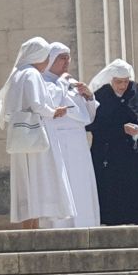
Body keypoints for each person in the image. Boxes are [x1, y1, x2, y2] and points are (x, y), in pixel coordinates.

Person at [0, 37, 75, 229]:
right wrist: (54, 111)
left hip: (20, 136)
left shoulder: (17, 75)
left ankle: (29, 225)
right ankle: (33, 227)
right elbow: (37, 104)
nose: (47, 62)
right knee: (37, 179)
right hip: (36, 135)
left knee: (25, 182)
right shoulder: (32, 74)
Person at [86, 59, 138, 225]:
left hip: (134, 153)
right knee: (113, 195)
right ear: (110, 80)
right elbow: (93, 126)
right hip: (109, 154)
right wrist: (121, 129)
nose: (123, 86)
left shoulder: (135, 90)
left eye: (126, 81)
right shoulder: (101, 95)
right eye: (118, 82)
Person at [39, 42, 100, 228]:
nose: (66, 62)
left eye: (68, 58)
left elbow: (88, 117)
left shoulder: (71, 83)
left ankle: (85, 224)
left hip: (78, 143)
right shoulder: (43, 82)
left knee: (81, 185)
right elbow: (51, 104)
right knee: (62, 185)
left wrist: (89, 97)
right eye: (61, 58)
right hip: (58, 141)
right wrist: (63, 83)